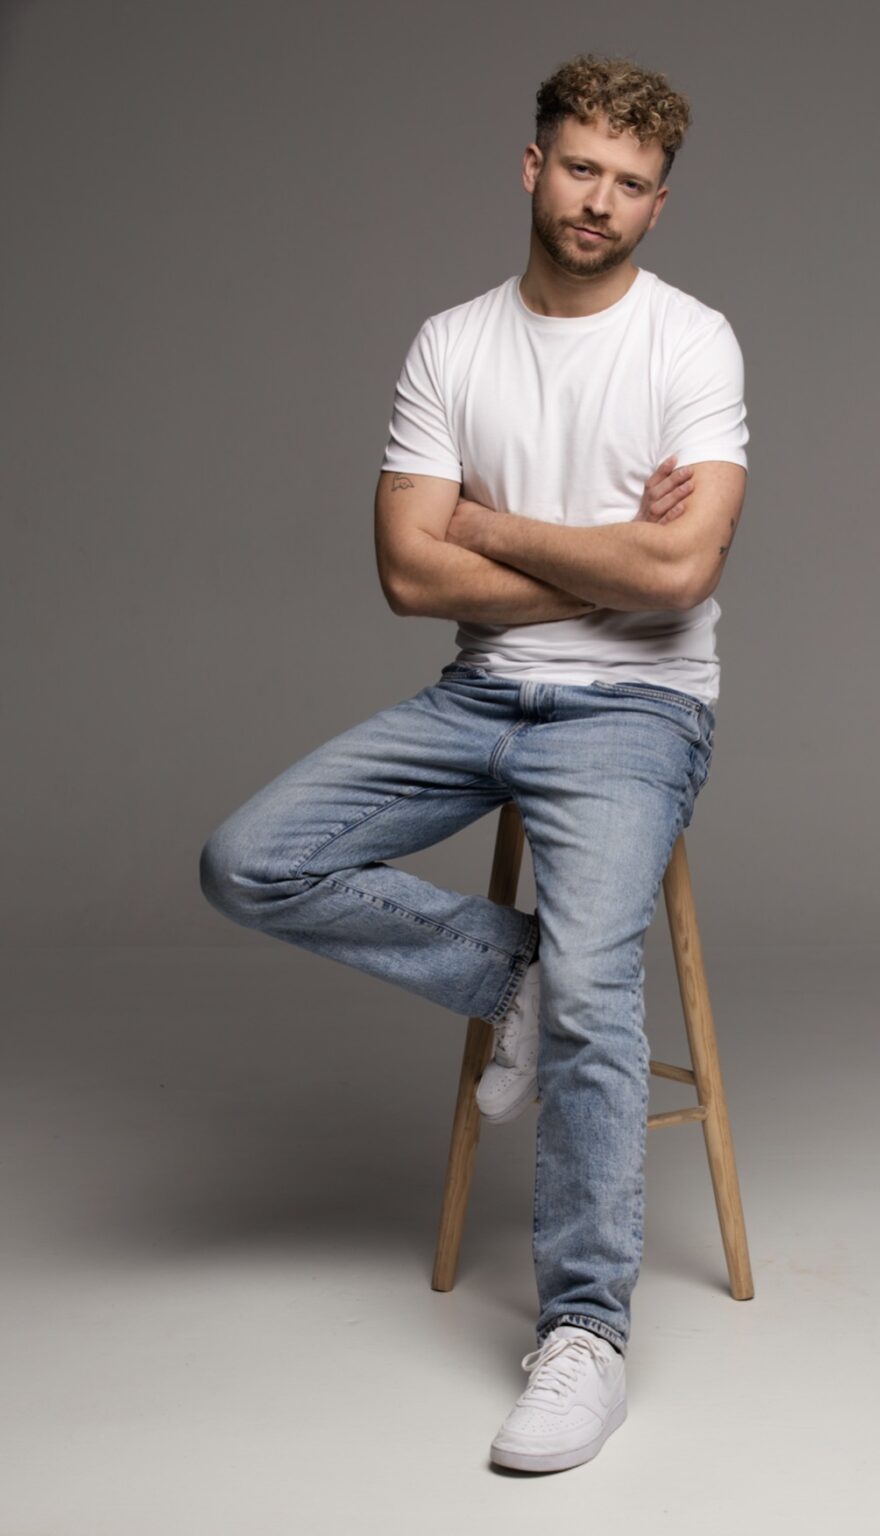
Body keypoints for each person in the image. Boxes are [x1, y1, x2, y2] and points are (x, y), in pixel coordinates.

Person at [199, 51, 748, 1474]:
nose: (600, 201)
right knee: (249, 859)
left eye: (631, 184)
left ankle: (584, 1335)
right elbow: (405, 576)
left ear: (658, 205)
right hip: (480, 694)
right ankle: (511, 973)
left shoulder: (691, 343)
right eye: (581, 168)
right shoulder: (451, 345)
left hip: (636, 712)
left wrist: (488, 526)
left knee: (601, 987)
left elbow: (679, 577)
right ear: (532, 167)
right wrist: (611, 556)